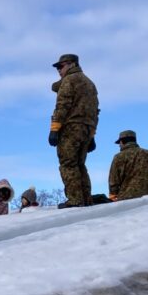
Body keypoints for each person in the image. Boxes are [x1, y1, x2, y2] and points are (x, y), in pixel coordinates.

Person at [48, 53, 99, 208]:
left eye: (61, 66)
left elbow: (62, 106)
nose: (58, 69)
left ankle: (76, 200)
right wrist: (92, 135)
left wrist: (54, 129)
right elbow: (94, 111)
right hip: (86, 129)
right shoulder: (90, 83)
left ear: (72, 64)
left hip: (70, 128)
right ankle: (85, 199)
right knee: (80, 164)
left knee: (68, 164)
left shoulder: (69, 81)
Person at [108, 130, 148, 201]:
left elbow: (113, 181)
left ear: (122, 141)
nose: (119, 145)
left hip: (126, 200)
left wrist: (113, 196)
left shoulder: (118, 157)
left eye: (119, 143)